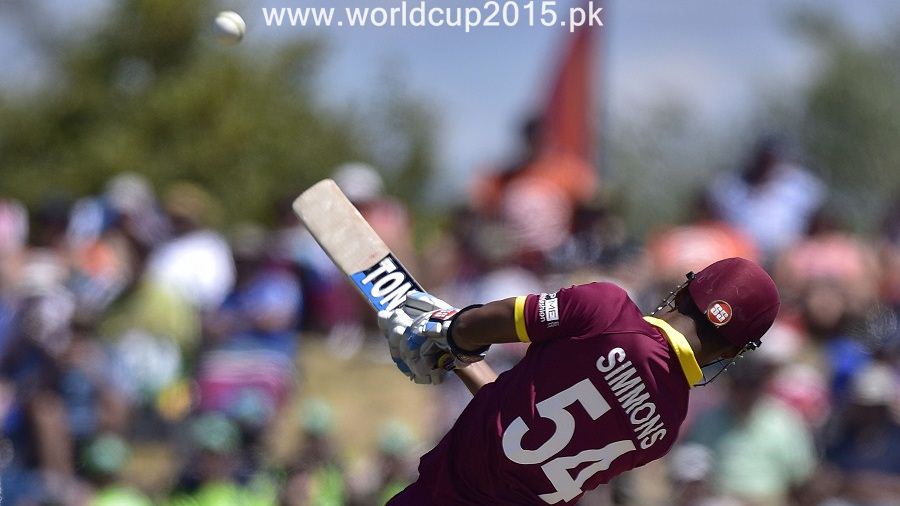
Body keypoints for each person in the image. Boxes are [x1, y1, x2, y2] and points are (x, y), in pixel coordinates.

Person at [378, 257, 780, 505]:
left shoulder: (605, 311)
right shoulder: (666, 427)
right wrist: (457, 360)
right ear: (732, 352)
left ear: (681, 293)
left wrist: (443, 331)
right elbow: (523, 422)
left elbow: (486, 323)